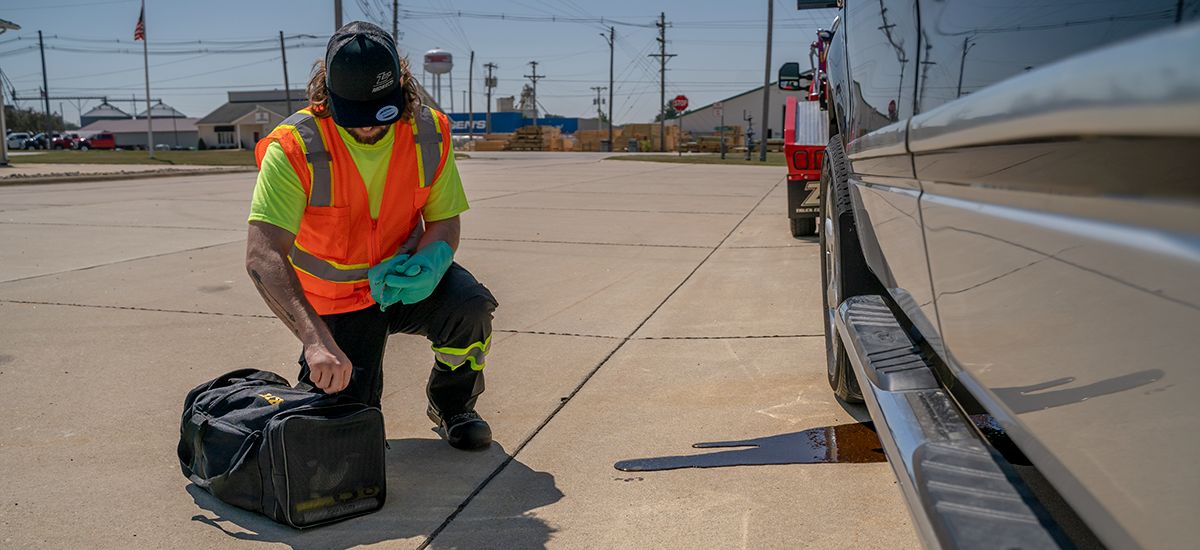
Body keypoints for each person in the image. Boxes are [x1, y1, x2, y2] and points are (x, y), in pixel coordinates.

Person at [245, 21, 497, 450]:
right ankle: (330, 383)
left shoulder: (428, 132)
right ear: (325, 95)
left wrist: (432, 261)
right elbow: (263, 254)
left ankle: (452, 404)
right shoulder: (294, 147)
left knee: (470, 308)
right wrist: (315, 340)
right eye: (354, 118)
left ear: (402, 87)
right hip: (336, 306)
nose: (367, 129)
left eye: (380, 114)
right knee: (345, 438)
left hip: (403, 285)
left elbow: (445, 219)